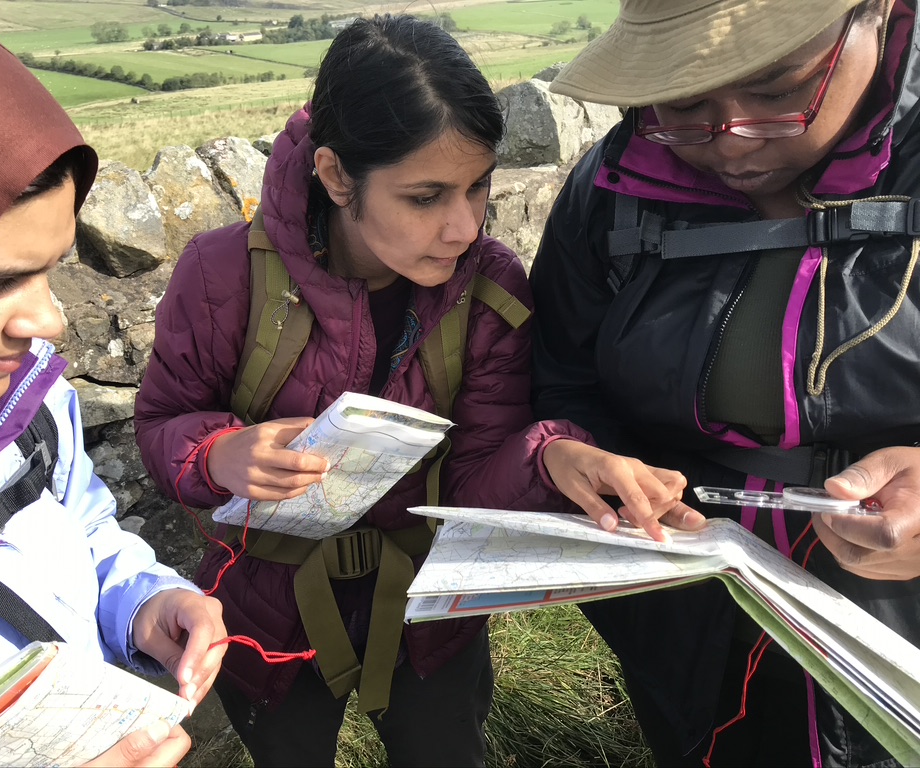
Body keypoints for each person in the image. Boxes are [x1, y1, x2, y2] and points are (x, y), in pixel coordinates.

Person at [134, 14, 703, 767]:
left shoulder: (492, 291)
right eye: (427, 196)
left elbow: (474, 475)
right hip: (267, 615)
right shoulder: (222, 276)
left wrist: (553, 460)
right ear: (338, 177)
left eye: (478, 188)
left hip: (430, 611)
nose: (464, 226)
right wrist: (219, 454)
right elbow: (162, 422)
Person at [530, 0, 920, 765]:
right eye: (683, 102)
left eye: (778, 89)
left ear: (876, 13)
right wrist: (596, 467)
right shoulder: (612, 188)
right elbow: (563, 378)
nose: (732, 135)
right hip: (694, 624)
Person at [0, 3, 228, 765]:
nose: (47, 321)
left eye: (51, 271)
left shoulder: (34, 400)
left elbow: (81, 527)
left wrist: (143, 604)